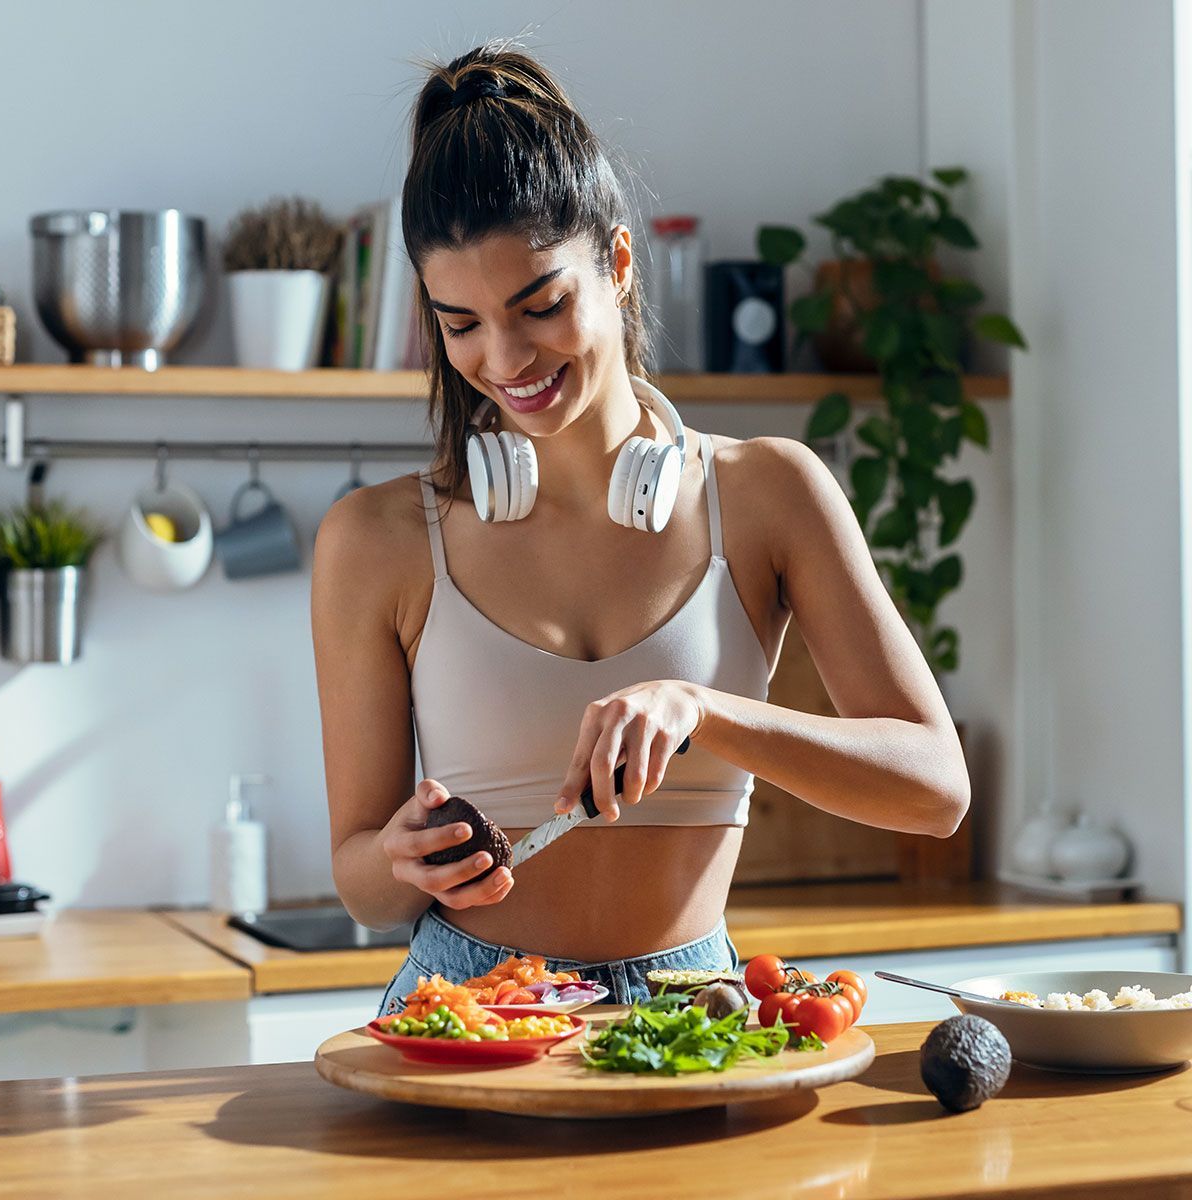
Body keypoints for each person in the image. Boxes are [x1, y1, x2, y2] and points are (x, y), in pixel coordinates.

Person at [311, 43, 970, 1012]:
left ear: (617, 264)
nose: (504, 358)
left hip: (692, 1008)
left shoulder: (770, 493)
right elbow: (359, 880)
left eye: (541, 306)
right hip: (469, 1008)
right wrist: (403, 861)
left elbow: (936, 789)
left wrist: (704, 710)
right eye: (461, 324)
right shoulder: (376, 541)